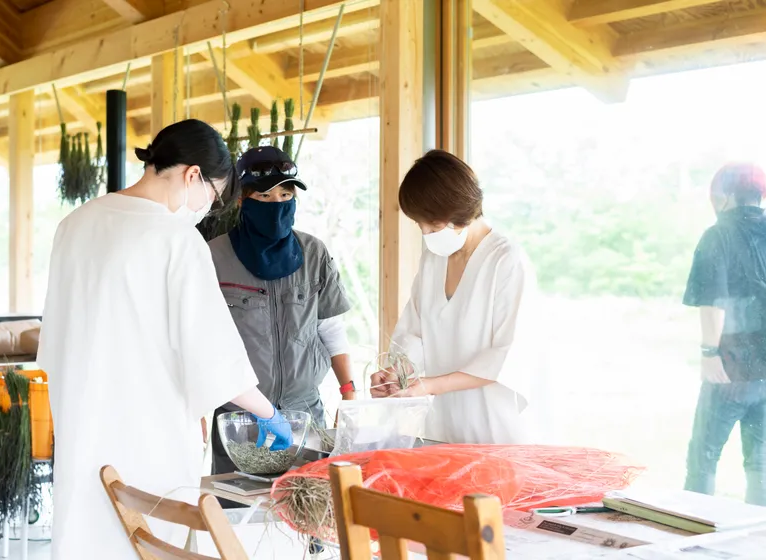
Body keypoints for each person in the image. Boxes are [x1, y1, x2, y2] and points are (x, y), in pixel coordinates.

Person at [38, 120, 292, 559]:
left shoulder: (75, 223)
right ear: (193, 175)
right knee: (149, 541)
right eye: (213, 196)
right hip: (146, 435)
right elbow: (213, 356)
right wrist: (268, 412)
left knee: (86, 534)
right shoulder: (177, 239)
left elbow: (59, 336)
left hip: (80, 423)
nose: (207, 208)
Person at [206, 145, 354, 486]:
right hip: (240, 421)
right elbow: (201, 343)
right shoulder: (212, 257)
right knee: (238, 510)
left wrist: (349, 393)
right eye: (264, 195)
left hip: (305, 416)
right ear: (242, 199)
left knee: (308, 509)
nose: (277, 204)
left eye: (285, 195)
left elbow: (331, 328)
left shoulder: (314, 253)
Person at [370, 149, 538, 444]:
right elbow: (415, 333)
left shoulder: (506, 260)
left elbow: (507, 356)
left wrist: (430, 386)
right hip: (444, 427)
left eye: (433, 225)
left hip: (496, 429)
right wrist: (397, 374)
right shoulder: (434, 258)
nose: (426, 233)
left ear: (460, 212)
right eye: (420, 225)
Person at [683, 162, 766, 506]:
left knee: (703, 456)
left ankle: (692, 524)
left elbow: (713, 301)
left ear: (727, 195)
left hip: (730, 368)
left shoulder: (717, 235)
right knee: (760, 462)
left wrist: (709, 352)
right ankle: (759, 531)